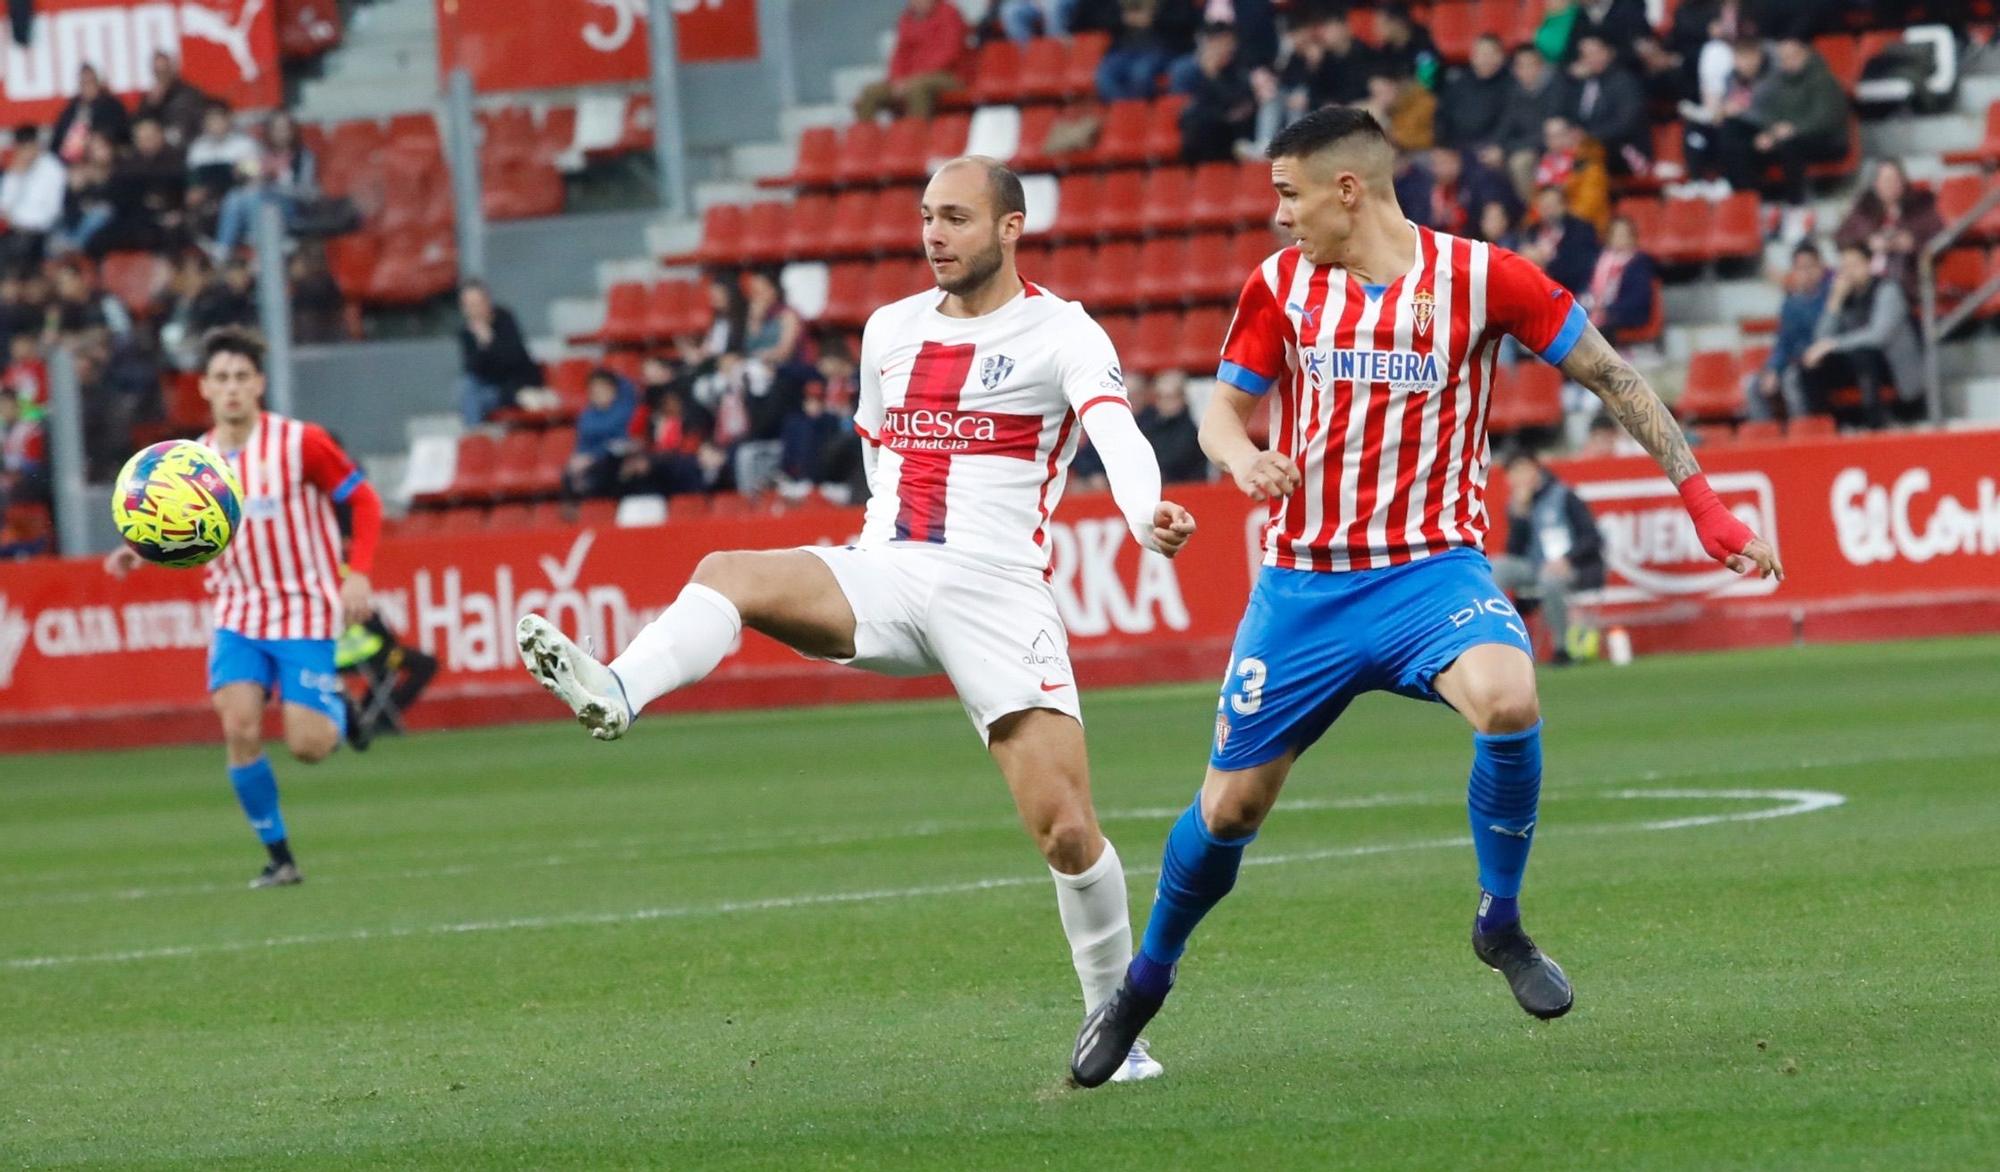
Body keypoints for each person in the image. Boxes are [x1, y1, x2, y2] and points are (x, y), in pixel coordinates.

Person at [1068, 106, 1782, 1087]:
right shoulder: (1279, 286)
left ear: (1345, 191)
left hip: (1430, 574)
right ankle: (1142, 983)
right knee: (1229, 807)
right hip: (1305, 588)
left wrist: (1704, 505)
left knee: (1510, 697)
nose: (1277, 217)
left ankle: (1498, 920)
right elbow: (1219, 413)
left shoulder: (1482, 278)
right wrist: (1241, 461)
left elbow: (1611, 375)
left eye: (1287, 194)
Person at [516, 156, 1196, 1084]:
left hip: (996, 592)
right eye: (926, 216)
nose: (934, 234)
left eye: (956, 217)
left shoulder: (1062, 332)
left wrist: (1142, 513)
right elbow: (880, 448)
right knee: (729, 570)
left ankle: (1117, 1034)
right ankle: (620, 689)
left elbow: (1117, 434)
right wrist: (876, 550)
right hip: (885, 570)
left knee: (1067, 831)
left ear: (1010, 228)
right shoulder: (889, 330)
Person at [102, 327, 383, 888]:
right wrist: (139, 550)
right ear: (203, 387)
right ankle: (280, 858)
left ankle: (338, 707)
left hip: (303, 607)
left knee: (309, 746)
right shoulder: (192, 461)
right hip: (236, 611)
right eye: (220, 378)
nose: (231, 388)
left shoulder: (300, 442)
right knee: (239, 727)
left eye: (241, 377)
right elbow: (179, 530)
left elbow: (364, 499)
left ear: (259, 383)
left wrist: (358, 575)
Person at [1719, 37, 1849, 238]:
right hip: (1789, 139)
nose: (1789, 61)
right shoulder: (1779, 83)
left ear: (1806, 54)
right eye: (1784, 58)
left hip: (1825, 140)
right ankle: (1756, 205)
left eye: (1794, 56)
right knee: (1742, 141)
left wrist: (1795, 129)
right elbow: (1771, 117)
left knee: (1791, 145)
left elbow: (1828, 118)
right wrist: (1768, 135)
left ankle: (1796, 207)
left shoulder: (1822, 79)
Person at [1493, 450, 1605, 665]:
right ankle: (1504, 643)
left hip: (1573, 567)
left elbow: (1592, 537)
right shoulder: (1516, 505)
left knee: (1550, 579)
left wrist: (1567, 559)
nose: (1520, 477)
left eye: (1524, 470)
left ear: (1536, 470)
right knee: (1496, 569)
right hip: (1536, 565)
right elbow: (1514, 552)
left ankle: (1562, 648)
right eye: (1514, 473)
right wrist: (1520, 515)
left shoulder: (1563, 495)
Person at [1801, 242, 1923, 429]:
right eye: (1844, 267)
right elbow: (1821, 339)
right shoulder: (1844, 296)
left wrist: (1834, 344)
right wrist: (1835, 300)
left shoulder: (1888, 289)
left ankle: (1876, 424)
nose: (1849, 272)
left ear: (1868, 265)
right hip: (1856, 363)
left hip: (1890, 365)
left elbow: (1878, 336)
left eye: (1854, 265)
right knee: (1812, 364)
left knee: (1863, 354)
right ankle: (1825, 425)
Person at [1832, 160, 1944, 305]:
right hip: (1866, 281)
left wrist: (1911, 244)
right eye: (1885, 180)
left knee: (1886, 296)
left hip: (1904, 280)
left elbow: (1941, 240)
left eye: (1895, 180)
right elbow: (1841, 238)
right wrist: (1868, 242)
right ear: (1876, 184)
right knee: (1837, 290)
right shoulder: (1864, 209)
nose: (1890, 185)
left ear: (1903, 182)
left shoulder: (1921, 207)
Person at [1745, 241, 1827, 421]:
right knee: (1752, 384)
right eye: (1800, 268)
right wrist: (1772, 369)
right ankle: (1763, 435)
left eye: (1810, 267)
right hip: (1795, 362)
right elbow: (1783, 343)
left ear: (1820, 267)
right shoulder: (1790, 304)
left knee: (1791, 379)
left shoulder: (1830, 298)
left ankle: (1803, 428)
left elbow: (1825, 335)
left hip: (1822, 363)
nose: (1805, 273)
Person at [216, 111, 320, 253]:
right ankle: (222, 251)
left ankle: (260, 247)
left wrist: (273, 186)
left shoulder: (303, 156)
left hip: (290, 206)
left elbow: (307, 192)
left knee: (255, 195)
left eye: (285, 129)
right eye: (277, 129)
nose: (281, 133)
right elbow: (247, 171)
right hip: (259, 202)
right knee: (234, 196)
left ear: (293, 131)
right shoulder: (261, 154)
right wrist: (244, 174)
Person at [854, 0, 971, 121]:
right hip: (909, 80)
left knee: (917, 88)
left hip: (948, 76)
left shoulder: (950, 14)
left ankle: (917, 134)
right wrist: (896, 80)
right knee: (870, 92)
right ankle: (866, 137)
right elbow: (899, 55)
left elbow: (950, 53)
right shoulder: (906, 19)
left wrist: (911, 80)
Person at [456, 281, 543, 425]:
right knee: (467, 387)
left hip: (516, 384)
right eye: (469, 306)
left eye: (477, 304)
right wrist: (482, 346)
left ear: (487, 302)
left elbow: (513, 360)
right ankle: (475, 436)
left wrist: (490, 342)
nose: (474, 310)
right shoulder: (466, 332)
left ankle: (475, 436)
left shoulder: (504, 319)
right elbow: (473, 368)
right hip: (489, 387)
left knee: (474, 397)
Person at [1496, 46, 1576, 202]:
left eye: (1531, 64)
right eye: (1521, 66)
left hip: (1551, 148)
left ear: (1541, 66)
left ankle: (1535, 211)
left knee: (1520, 162)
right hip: (1523, 145)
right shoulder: (1513, 92)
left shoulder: (1557, 88)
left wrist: (1510, 147)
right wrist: (1498, 147)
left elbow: (1549, 134)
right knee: (1490, 161)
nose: (1526, 70)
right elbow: (1505, 127)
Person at [1176, 23, 1258, 164]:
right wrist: (1210, 76)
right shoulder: (1192, 72)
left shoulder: (1239, 70)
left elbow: (1238, 102)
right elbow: (1195, 106)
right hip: (1206, 130)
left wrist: (1213, 77)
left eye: (1229, 44)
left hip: (1232, 131)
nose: (1227, 49)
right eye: (1222, 43)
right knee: (1197, 121)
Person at [1568, 34, 1648, 174]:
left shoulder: (1624, 81)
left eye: (1595, 53)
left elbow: (1626, 123)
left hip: (1624, 148)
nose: (1592, 59)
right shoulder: (1583, 84)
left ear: (1608, 52)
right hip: (1588, 145)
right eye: (1586, 55)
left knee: (1589, 154)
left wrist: (1589, 135)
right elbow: (1573, 117)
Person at [565, 367, 639, 498]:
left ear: (613, 389)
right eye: (594, 389)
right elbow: (583, 443)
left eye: (603, 388)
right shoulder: (587, 415)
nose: (598, 392)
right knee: (569, 475)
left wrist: (593, 457)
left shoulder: (625, 410)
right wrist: (578, 458)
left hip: (613, 459)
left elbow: (623, 441)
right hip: (589, 462)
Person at [0, 127, 67, 269]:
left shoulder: (53, 169)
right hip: (14, 231)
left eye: (29, 147)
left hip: (41, 233)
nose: (26, 153)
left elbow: (52, 211)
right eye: (21, 148)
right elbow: (4, 207)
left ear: (37, 145)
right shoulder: (15, 169)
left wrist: (19, 221)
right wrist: (17, 177)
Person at [1585, 215, 1658, 344]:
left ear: (1632, 237)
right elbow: (1586, 285)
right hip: (1599, 310)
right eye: (1615, 234)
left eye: (1623, 234)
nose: (1619, 238)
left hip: (1626, 314)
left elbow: (1639, 298)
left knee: (1596, 332)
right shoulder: (1600, 260)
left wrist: (1608, 310)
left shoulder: (1640, 261)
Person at [1438, 36, 1515, 157]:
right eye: (1482, 54)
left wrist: (1497, 146)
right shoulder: (1458, 82)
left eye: (1491, 54)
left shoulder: (1511, 85)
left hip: (1489, 148)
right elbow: (1442, 116)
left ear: (1501, 57)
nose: (1486, 59)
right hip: (1454, 146)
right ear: (1473, 57)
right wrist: (1442, 145)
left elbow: (1509, 121)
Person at [1521, 184, 1601, 294]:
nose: (1548, 211)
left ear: (1563, 205)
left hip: (1568, 294)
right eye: (1544, 206)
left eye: (1552, 205)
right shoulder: (1532, 231)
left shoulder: (1581, 230)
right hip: (1534, 292)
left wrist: (1545, 265)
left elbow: (1584, 268)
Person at [50, 64, 129, 163]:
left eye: (91, 82)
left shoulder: (112, 106)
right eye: (84, 83)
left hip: (107, 156)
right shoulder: (71, 110)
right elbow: (56, 142)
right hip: (74, 162)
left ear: (98, 83)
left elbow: (123, 134)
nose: (88, 87)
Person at [1096, 0, 1173, 101]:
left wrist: (1154, 19)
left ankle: (1139, 108)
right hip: (1124, 50)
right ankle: (1124, 108)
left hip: (1157, 50)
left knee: (1140, 74)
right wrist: (1123, 18)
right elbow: (1098, 19)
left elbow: (1180, 21)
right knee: (1104, 75)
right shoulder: (1117, 4)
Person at [1138, 369, 1205, 483]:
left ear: (1182, 398)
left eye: (1169, 397)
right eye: (1160, 397)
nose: (1164, 403)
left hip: (1187, 487)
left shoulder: (1191, 426)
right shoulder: (1149, 423)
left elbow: (1177, 461)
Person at [135, 51, 214, 147]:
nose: (162, 75)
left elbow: (199, 121)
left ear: (172, 69)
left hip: (188, 142)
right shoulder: (149, 99)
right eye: (158, 71)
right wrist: (151, 106)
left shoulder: (190, 94)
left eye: (164, 70)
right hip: (160, 148)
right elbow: (140, 124)